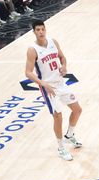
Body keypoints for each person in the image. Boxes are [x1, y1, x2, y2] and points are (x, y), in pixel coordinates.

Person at [24, 19, 82, 162]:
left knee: (77, 110)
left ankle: (69, 135)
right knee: (58, 116)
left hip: (61, 83)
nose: (41, 32)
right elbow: (28, 72)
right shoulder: (32, 50)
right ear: (34, 32)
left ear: (45, 29)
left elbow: (62, 57)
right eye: (38, 30)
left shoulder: (53, 42)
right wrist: (43, 84)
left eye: (42, 29)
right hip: (49, 87)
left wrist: (64, 66)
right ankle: (61, 147)